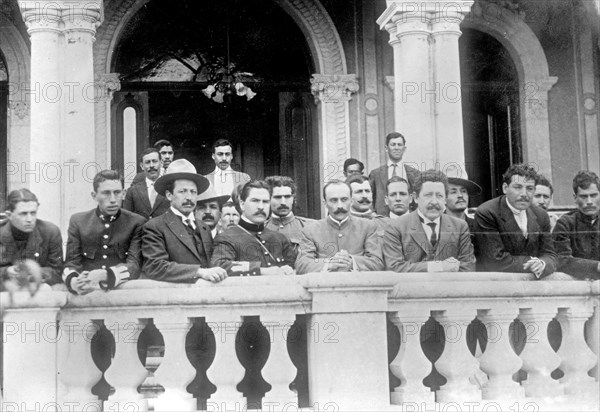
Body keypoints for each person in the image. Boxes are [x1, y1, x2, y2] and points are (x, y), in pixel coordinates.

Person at [142, 159, 227, 283]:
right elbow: (155, 266)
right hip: (176, 297)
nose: (189, 197)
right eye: (182, 191)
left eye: (193, 192)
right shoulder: (155, 226)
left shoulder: (204, 228)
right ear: (169, 195)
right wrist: (199, 272)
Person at [64, 170, 147, 294]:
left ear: (124, 193)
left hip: (120, 295)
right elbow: (71, 262)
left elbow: (134, 266)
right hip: (87, 295)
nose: (113, 199)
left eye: (117, 192)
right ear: (94, 195)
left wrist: (105, 275)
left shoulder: (136, 223)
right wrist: (74, 281)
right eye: (106, 193)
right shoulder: (78, 222)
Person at [474, 164, 557, 278]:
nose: (524, 194)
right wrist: (533, 262)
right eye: (518, 187)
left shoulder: (541, 215)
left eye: (529, 188)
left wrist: (543, 264)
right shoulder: (487, 213)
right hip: (498, 285)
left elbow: (550, 254)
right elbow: (495, 260)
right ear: (505, 188)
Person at [383, 170, 475, 272]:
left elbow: (468, 267)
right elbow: (394, 267)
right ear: (415, 198)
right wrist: (438, 267)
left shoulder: (460, 226)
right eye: (428, 195)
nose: (434, 201)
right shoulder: (396, 227)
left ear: (445, 199)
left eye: (439, 196)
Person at [296, 180, 384, 274]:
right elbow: (302, 265)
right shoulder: (310, 230)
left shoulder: (368, 227)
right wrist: (329, 263)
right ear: (324, 203)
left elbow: (377, 262)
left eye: (344, 199)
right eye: (333, 200)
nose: (340, 206)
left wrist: (351, 261)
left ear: (351, 200)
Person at [211, 180, 296, 276]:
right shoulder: (226, 238)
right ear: (242, 204)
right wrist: (262, 271)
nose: (261, 207)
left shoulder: (280, 239)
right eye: (255, 201)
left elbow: (292, 267)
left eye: (265, 202)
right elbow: (221, 266)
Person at [0, 189, 63, 289]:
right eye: (23, 214)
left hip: (38, 289)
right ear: (9, 215)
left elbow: (57, 272)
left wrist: (31, 271)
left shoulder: (50, 232)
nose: (29, 219)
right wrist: (7, 271)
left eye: (33, 213)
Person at [552, 170, 600, 279]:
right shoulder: (565, 224)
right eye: (583, 196)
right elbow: (562, 260)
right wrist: (596, 266)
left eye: (593, 195)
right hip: (576, 286)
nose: (589, 201)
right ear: (575, 198)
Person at [264, 176, 314, 251]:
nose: (283, 202)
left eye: (287, 197)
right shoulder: (259, 230)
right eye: (278, 197)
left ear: (293, 199)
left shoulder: (311, 227)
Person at [123, 147, 170, 219]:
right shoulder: (132, 191)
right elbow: (126, 218)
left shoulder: (170, 189)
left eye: (154, 161)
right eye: (147, 162)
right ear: (142, 166)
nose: (151, 165)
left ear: (161, 163)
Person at [368, 132, 407, 215]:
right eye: (393, 144)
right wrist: (373, 214)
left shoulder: (413, 173)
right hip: (382, 219)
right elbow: (369, 197)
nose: (396, 148)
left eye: (399, 145)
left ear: (404, 149)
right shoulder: (376, 174)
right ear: (386, 148)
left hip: (407, 220)